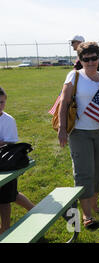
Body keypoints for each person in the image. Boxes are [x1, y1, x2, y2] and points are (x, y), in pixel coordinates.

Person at [58, 42, 99, 228]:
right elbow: (64, 103)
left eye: (94, 58)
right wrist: (62, 129)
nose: (90, 62)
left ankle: (95, 206)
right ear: (80, 60)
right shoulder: (74, 76)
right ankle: (86, 215)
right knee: (84, 173)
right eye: (86, 59)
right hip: (79, 133)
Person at [0, 87, 34, 234]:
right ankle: (35, 210)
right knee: (13, 195)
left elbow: (10, 145)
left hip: (6, 163)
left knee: (6, 198)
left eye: (1, 102)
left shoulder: (8, 120)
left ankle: (5, 229)